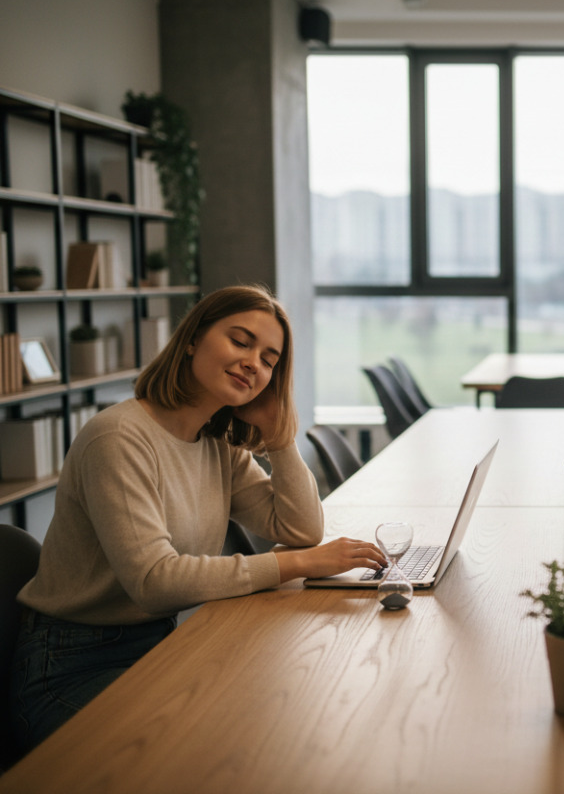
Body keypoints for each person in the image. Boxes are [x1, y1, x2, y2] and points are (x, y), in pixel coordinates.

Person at [9, 285, 387, 752]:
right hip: (68, 666)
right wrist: (296, 564)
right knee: (202, 749)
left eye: (270, 359)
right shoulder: (119, 438)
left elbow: (301, 529)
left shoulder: (216, 443)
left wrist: (279, 436)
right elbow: (155, 581)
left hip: (157, 644)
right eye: (241, 341)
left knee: (277, 719)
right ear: (192, 339)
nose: (254, 363)